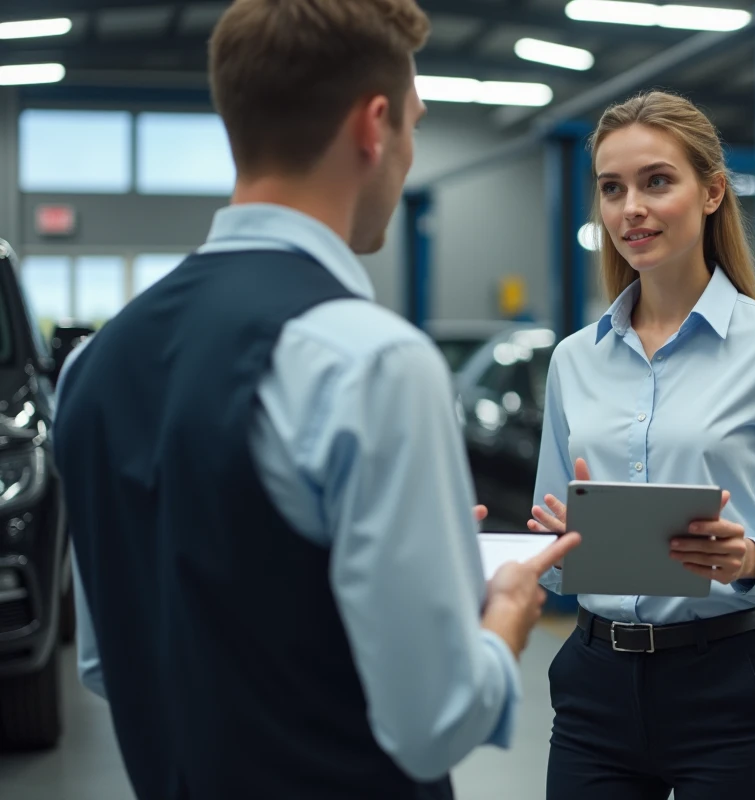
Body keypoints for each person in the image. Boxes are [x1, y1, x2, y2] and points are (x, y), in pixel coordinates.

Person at [51, 2, 578, 799]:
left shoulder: (93, 364)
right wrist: (503, 611)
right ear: (374, 127)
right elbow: (434, 720)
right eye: (414, 125)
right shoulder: (370, 362)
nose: (407, 154)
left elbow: (110, 660)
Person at [526, 91, 755, 799]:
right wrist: (550, 550)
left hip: (727, 684)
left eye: (656, 181)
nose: (630, 208)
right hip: (594, 685)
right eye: (613, 189)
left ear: (711, 193)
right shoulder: (575, 360)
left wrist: (750, 557)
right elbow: (548, 542)